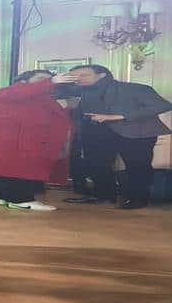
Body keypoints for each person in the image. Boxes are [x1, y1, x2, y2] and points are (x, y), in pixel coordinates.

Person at [64, 65, 172, 209]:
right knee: (97, 164)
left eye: (83, 75)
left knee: (137, 166)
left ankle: (138, 199)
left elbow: (163, 105)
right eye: (74, 76)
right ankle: (103, 196)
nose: (78, 79)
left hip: (136, 132)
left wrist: (120, 116)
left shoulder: (135, 88)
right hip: (100, 133)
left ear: (102, 75)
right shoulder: (86, 92)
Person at [0, 70, 77, 211]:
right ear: (22, 81)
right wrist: (51, 82)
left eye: (49, 78)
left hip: (25, 138)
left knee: (8, 169)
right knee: (20, 169)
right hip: (15, 138)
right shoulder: (10, 91)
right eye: (40, 78)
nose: (47, 81)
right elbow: (20, 95)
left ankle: (3, 196)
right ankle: (21, 200)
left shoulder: (40, 96)